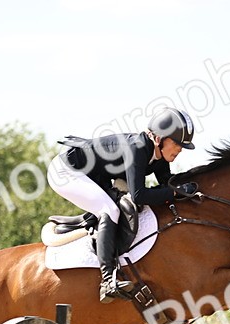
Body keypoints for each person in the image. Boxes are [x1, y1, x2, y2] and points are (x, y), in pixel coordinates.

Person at [47, 108, 199, 303]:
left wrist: (191, 187)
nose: (179, 150)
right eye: (177, 144)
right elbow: (138, 195)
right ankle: (108, 280)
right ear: (159, 138)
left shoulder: (158, 155)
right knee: (109, 210)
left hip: (94, 175)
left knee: (115, 205)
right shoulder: (137, 148)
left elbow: (167, 182)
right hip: (66, 172)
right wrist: (176, 192)